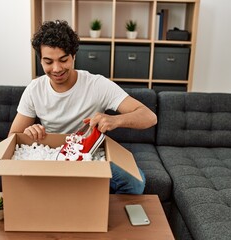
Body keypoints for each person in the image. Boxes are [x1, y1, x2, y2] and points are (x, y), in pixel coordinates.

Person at [9, 20, 157, 194]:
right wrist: (29, 132)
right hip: (52, 155)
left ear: (73, 56)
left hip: (91, 155)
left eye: (63, 60)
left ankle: (101, 214)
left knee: (136, 182)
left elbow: (149, 117)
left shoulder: (97, 85)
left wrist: (115, 120)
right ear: (40, 61)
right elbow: (12, 138)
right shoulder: (35, 89)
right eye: (48, 62)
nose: (56, 69)